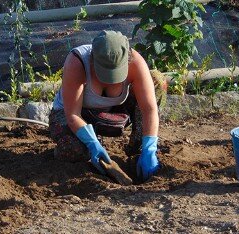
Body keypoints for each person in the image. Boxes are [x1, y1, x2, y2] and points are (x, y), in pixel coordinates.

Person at [49, 30, 162, 182]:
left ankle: (138, 149)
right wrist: (92, 143)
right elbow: (73, 115)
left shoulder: (136, 62)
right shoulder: (77, 61)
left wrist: (150, 148)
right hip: (78, 115)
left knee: (157, 80)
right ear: (92, 60)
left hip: (113, 111)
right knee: (73, 150)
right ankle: (81, 144)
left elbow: (149, 109)